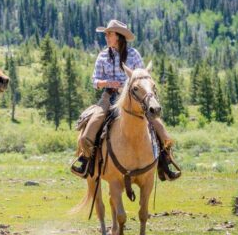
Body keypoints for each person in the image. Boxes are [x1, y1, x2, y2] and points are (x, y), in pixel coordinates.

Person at [71, 19, 181, 181]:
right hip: (110, 96)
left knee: (157, 124)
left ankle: (165, 161)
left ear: (119, 36)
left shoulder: (134, 54)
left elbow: (143, 76)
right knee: (93, 123)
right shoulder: (102, 56)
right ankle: (86, 160)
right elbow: (95, 81)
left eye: (109, 34)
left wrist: (132, 87)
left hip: (133, 97)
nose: (106, 37)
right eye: (106, 34)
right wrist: (109, 83)